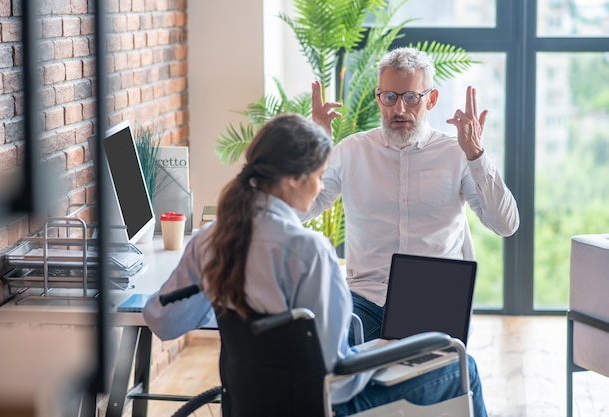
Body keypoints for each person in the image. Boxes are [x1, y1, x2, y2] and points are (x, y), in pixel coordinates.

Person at [142, 114, 489, 416]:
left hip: (251, 403)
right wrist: (382, 350)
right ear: (294, 178)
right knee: (462, 365)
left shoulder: (211, 239)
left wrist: (226, 303)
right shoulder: (308, 251)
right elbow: (336, 377)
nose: (321, 186)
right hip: (324, 406)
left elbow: (163, 319)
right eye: (320, 176)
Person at [303, 46, 520, 344]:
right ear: (379, 97)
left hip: (434, 298)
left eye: (410, 98)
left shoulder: (457, 153)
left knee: (427, 373)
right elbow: (301, 210)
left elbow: (505, 224)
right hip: (364, 297)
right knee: (334, 367)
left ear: (431, 99)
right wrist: (313, 153)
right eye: (390, 97)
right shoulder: (351, 151)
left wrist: (477, 156)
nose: (399, 110)